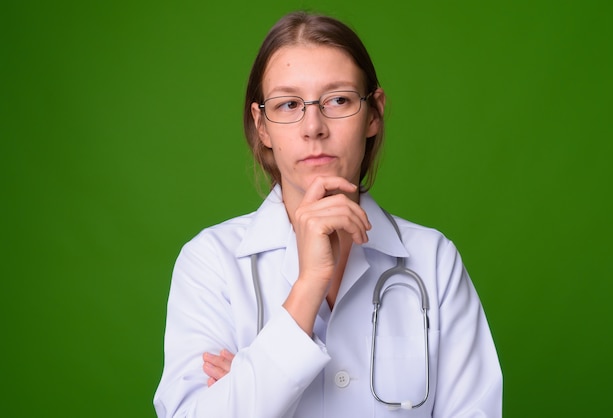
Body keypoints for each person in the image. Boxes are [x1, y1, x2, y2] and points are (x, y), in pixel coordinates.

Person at [154, 11, 502, 418]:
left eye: (338, 99)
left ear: (373, 114)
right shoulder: (210, 262)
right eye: (288, 105)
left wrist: (249, 384)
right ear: (262, 126)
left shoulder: (434, 260)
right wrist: (308, 286)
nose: (313, 127)